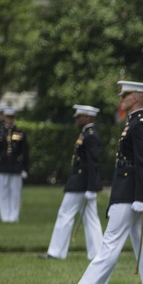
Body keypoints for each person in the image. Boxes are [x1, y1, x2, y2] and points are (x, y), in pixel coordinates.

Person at [62, 81, 143, 284]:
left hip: (131, 192)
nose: (120, 100)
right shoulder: (133, 123)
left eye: (124, 96)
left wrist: (141, 197)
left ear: (135, 98)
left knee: (111, 239)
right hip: (128, 188)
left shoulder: (141, 125)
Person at [42, 105, 103, 260]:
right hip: (81, 182)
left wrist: (91, 187)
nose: (76, 119)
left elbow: (93, 163)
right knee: (90, 218)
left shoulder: (90, 135)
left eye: (79, 116)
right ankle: (97, 253)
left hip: (81, 183)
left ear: (88, 118)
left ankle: (56, 252)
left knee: (65, 214)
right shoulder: (86, 134)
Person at [0, 107, 29, 223]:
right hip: (3, 165)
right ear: (4, 118)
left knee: (15, 193)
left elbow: (24, 151)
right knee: (4, 191)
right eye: (8, 117)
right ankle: (5, 216)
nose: (10, 119)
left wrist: (25, 168)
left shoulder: (20, 133)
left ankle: (14, 216)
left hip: (16, 166)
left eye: (12, 117)